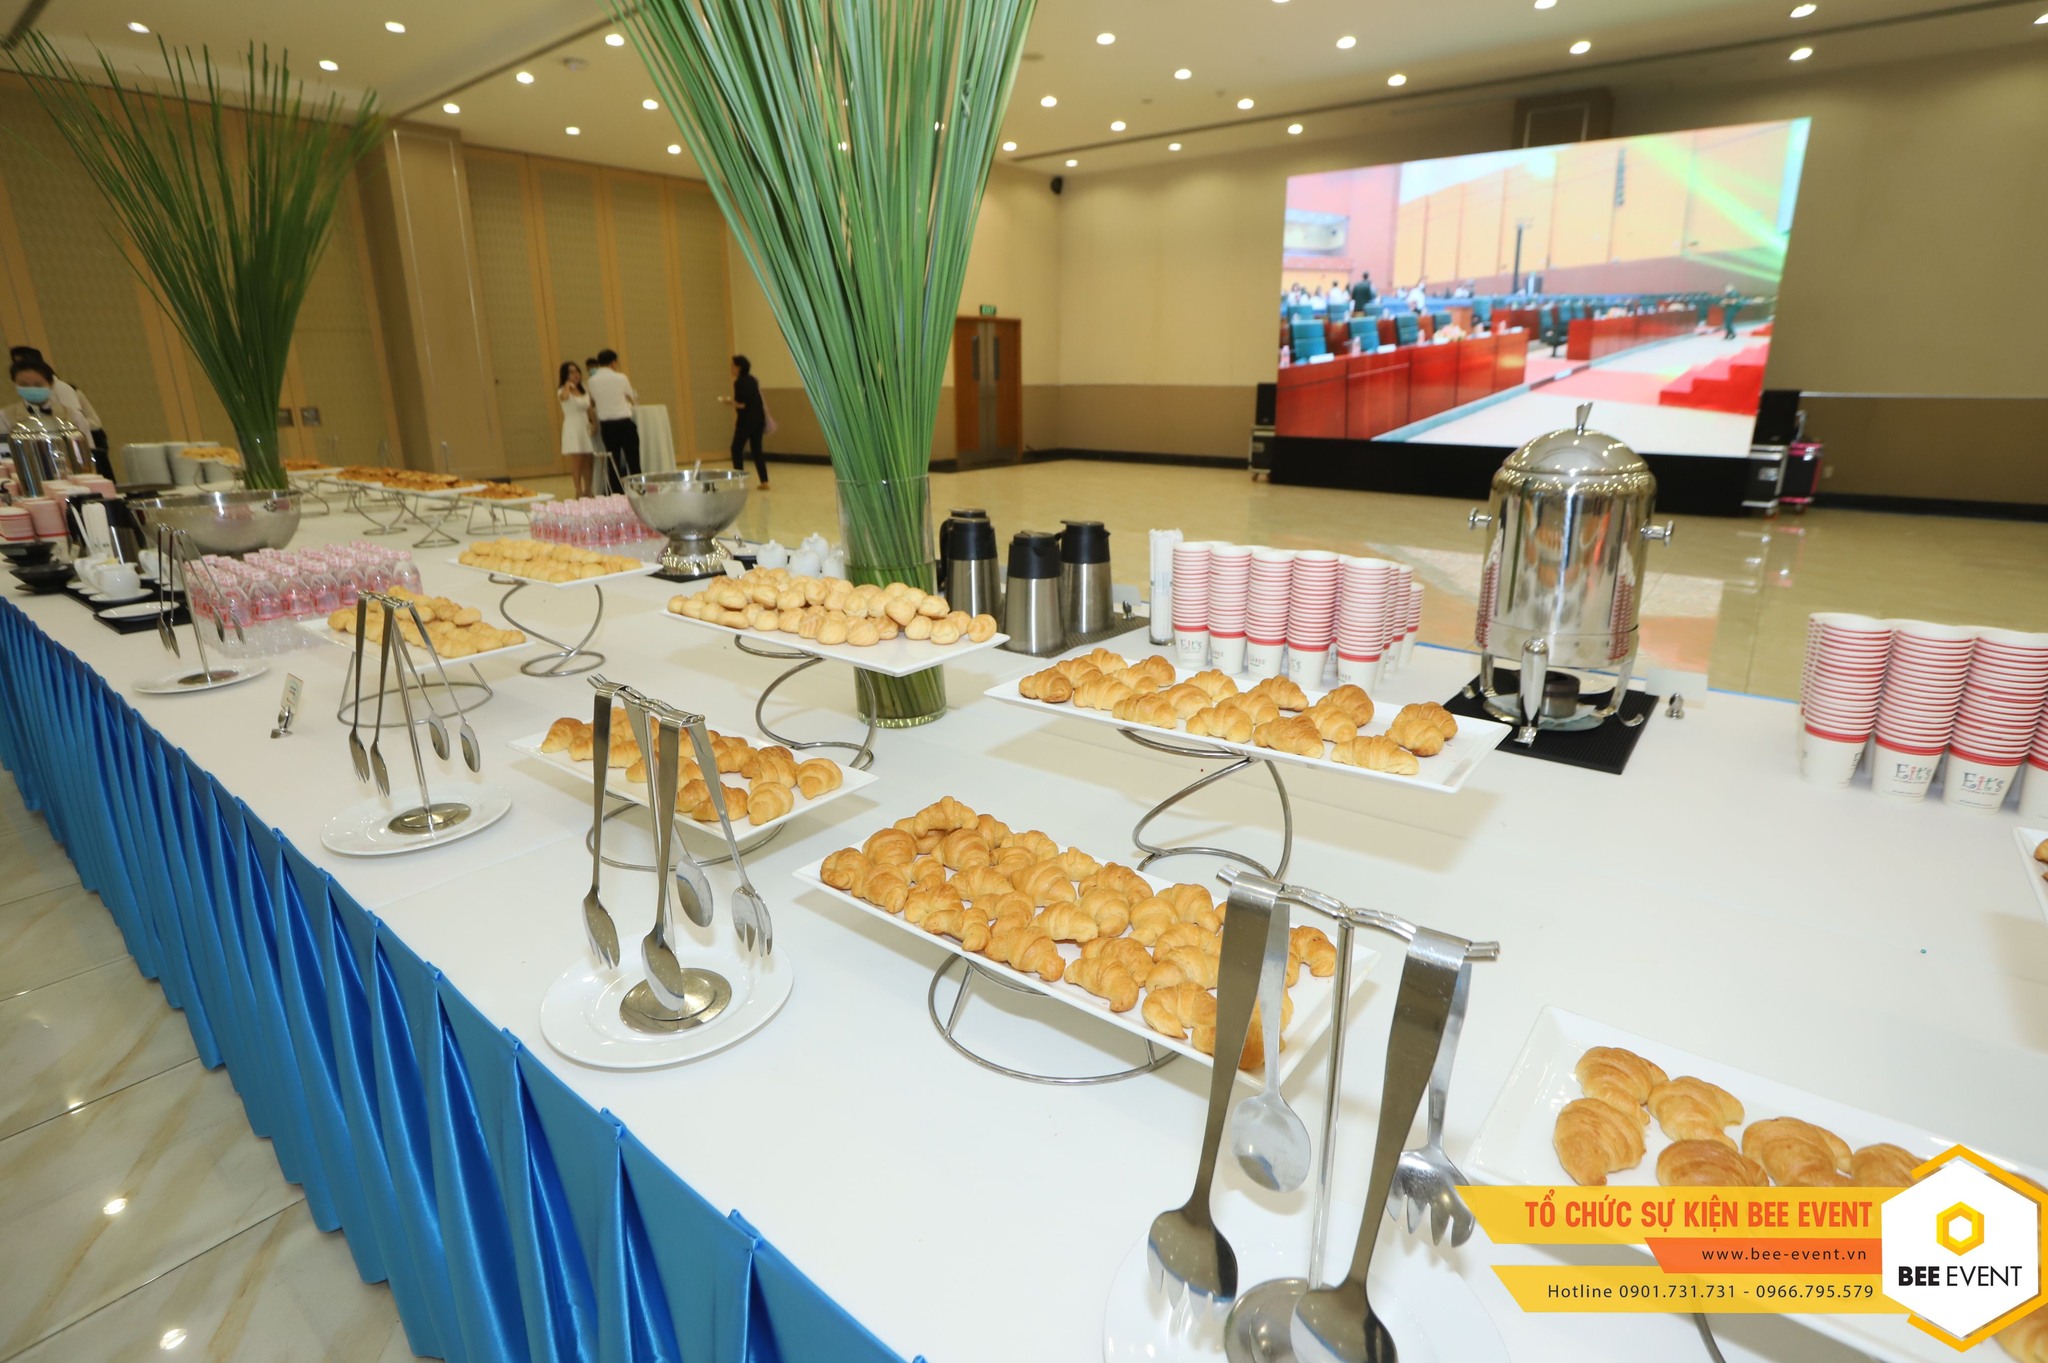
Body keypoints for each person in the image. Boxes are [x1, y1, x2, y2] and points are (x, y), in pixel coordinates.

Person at [8, 345, 108, 477]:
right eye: (23, 385)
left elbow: (87, 452)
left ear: (50, 384)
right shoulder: (6, 416)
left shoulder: (70, 408)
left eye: (37, 384)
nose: (31, 388)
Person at [585, 348, 639, 493]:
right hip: (624, 423)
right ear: (614, 362)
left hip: (607, 426)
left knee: (613, 460)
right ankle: (637, 488)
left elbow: (593, 400)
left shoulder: (591, 381)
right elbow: (630, 396)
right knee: (632, 458)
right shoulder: (621, 378)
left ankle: (616, 491)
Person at [717, 354, 771, 489]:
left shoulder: (739, 382)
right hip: (759, 419)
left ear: (739, 368)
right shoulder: (753, 380)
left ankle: (740, 481)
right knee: (757, 450)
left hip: (746, 421)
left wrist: (728, 401)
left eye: (733, 366)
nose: (731, 368)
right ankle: (764, 481)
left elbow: (741, 404)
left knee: (736, 449)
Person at [556, 360, 597, 499]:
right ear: (565, 375)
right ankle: (578, 491)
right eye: (571, 372)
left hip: (584, 425)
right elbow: (564, 397)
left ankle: (588, 490)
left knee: (588, 460)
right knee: (577, 460)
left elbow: (589, 407)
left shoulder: (583, 388)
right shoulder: (562, 390)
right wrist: (568, 386)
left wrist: (594, 422)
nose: (576, 374)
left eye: (577, 371)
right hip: (572, 426)